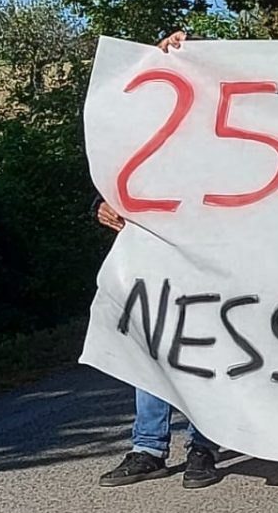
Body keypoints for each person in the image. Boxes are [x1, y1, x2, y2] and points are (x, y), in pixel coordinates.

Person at [94, 196, 223, 490]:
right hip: (153, 254)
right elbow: (123, 176)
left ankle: (203, 446)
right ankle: (148, 448)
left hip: (210, 248)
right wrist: (103, 203)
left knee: (205, 347)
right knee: (152, 345)